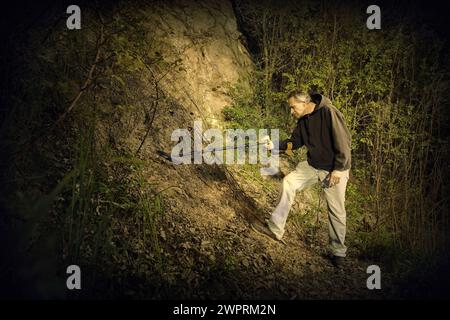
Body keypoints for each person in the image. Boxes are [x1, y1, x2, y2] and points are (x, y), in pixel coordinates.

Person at [252, 91, 352, 267]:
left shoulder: (328, 112)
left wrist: (339, 168)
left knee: (336, 209)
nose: (291, 111)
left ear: (305, 102)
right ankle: (275, 229)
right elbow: (294, 144)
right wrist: (274, 146)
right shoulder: (303, 121)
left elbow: (344, 141)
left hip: (334, 168)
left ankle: (338, 252)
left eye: (293, 107)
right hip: (313, 165)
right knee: (288, 183)